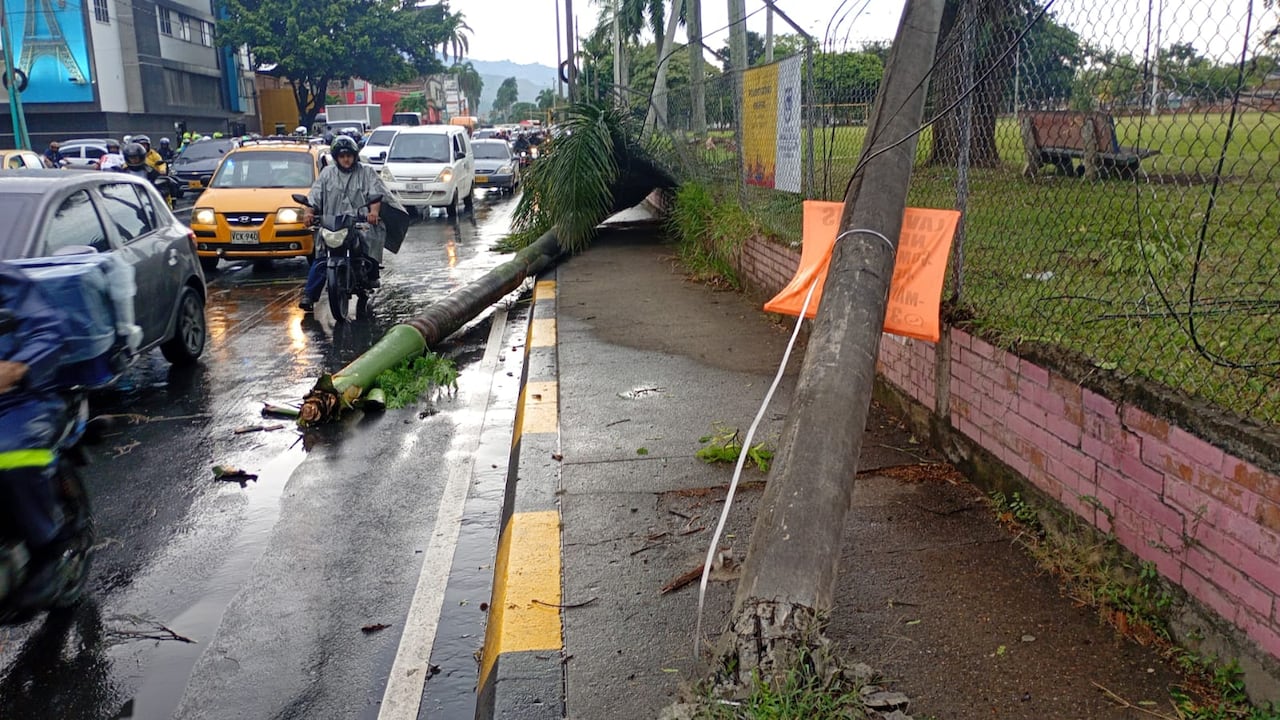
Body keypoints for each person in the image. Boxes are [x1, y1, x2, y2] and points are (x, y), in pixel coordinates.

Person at [0, 261, 74, 608]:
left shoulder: (7, 282)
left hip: (22, 400)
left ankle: (49, 547)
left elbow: (49, 328)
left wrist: (17, 367)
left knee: (11, 454)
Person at [298, 136, 405, 311]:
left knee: (368, 245)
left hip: (359, 223)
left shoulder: (367, 172)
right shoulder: (327, 174)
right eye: (342, 156)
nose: (346, 159)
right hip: (332, 224)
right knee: (322, 259)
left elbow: (375, 195)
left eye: (349, 155)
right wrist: (309, 214)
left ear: (355, 156)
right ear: (336, 157)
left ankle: (371, 273)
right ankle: (309, 295)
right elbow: (313, 198)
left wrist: (373, 213)